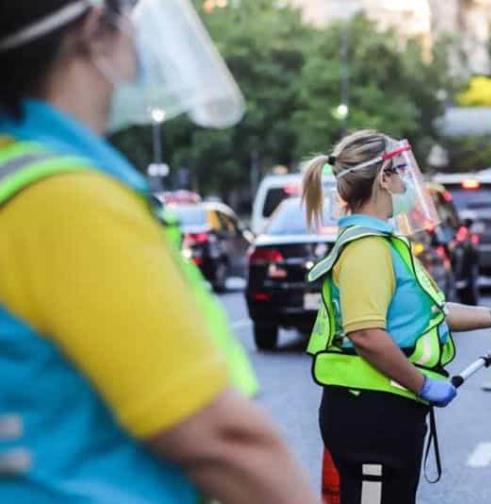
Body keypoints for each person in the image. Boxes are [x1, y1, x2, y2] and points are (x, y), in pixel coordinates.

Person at [0, 1, 316, 502]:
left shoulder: (16, 171)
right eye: (128, 19)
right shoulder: (66, 199)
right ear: (92, 31)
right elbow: (223, 441)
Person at [302, 130, 491, 504]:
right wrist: (421, 383)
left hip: (384, 410)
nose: (406, 182)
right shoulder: (367, 249)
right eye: (399, 171)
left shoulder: (383, 242)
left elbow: (429, 315)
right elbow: (366, 334)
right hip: (371, 415)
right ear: (383, 178)